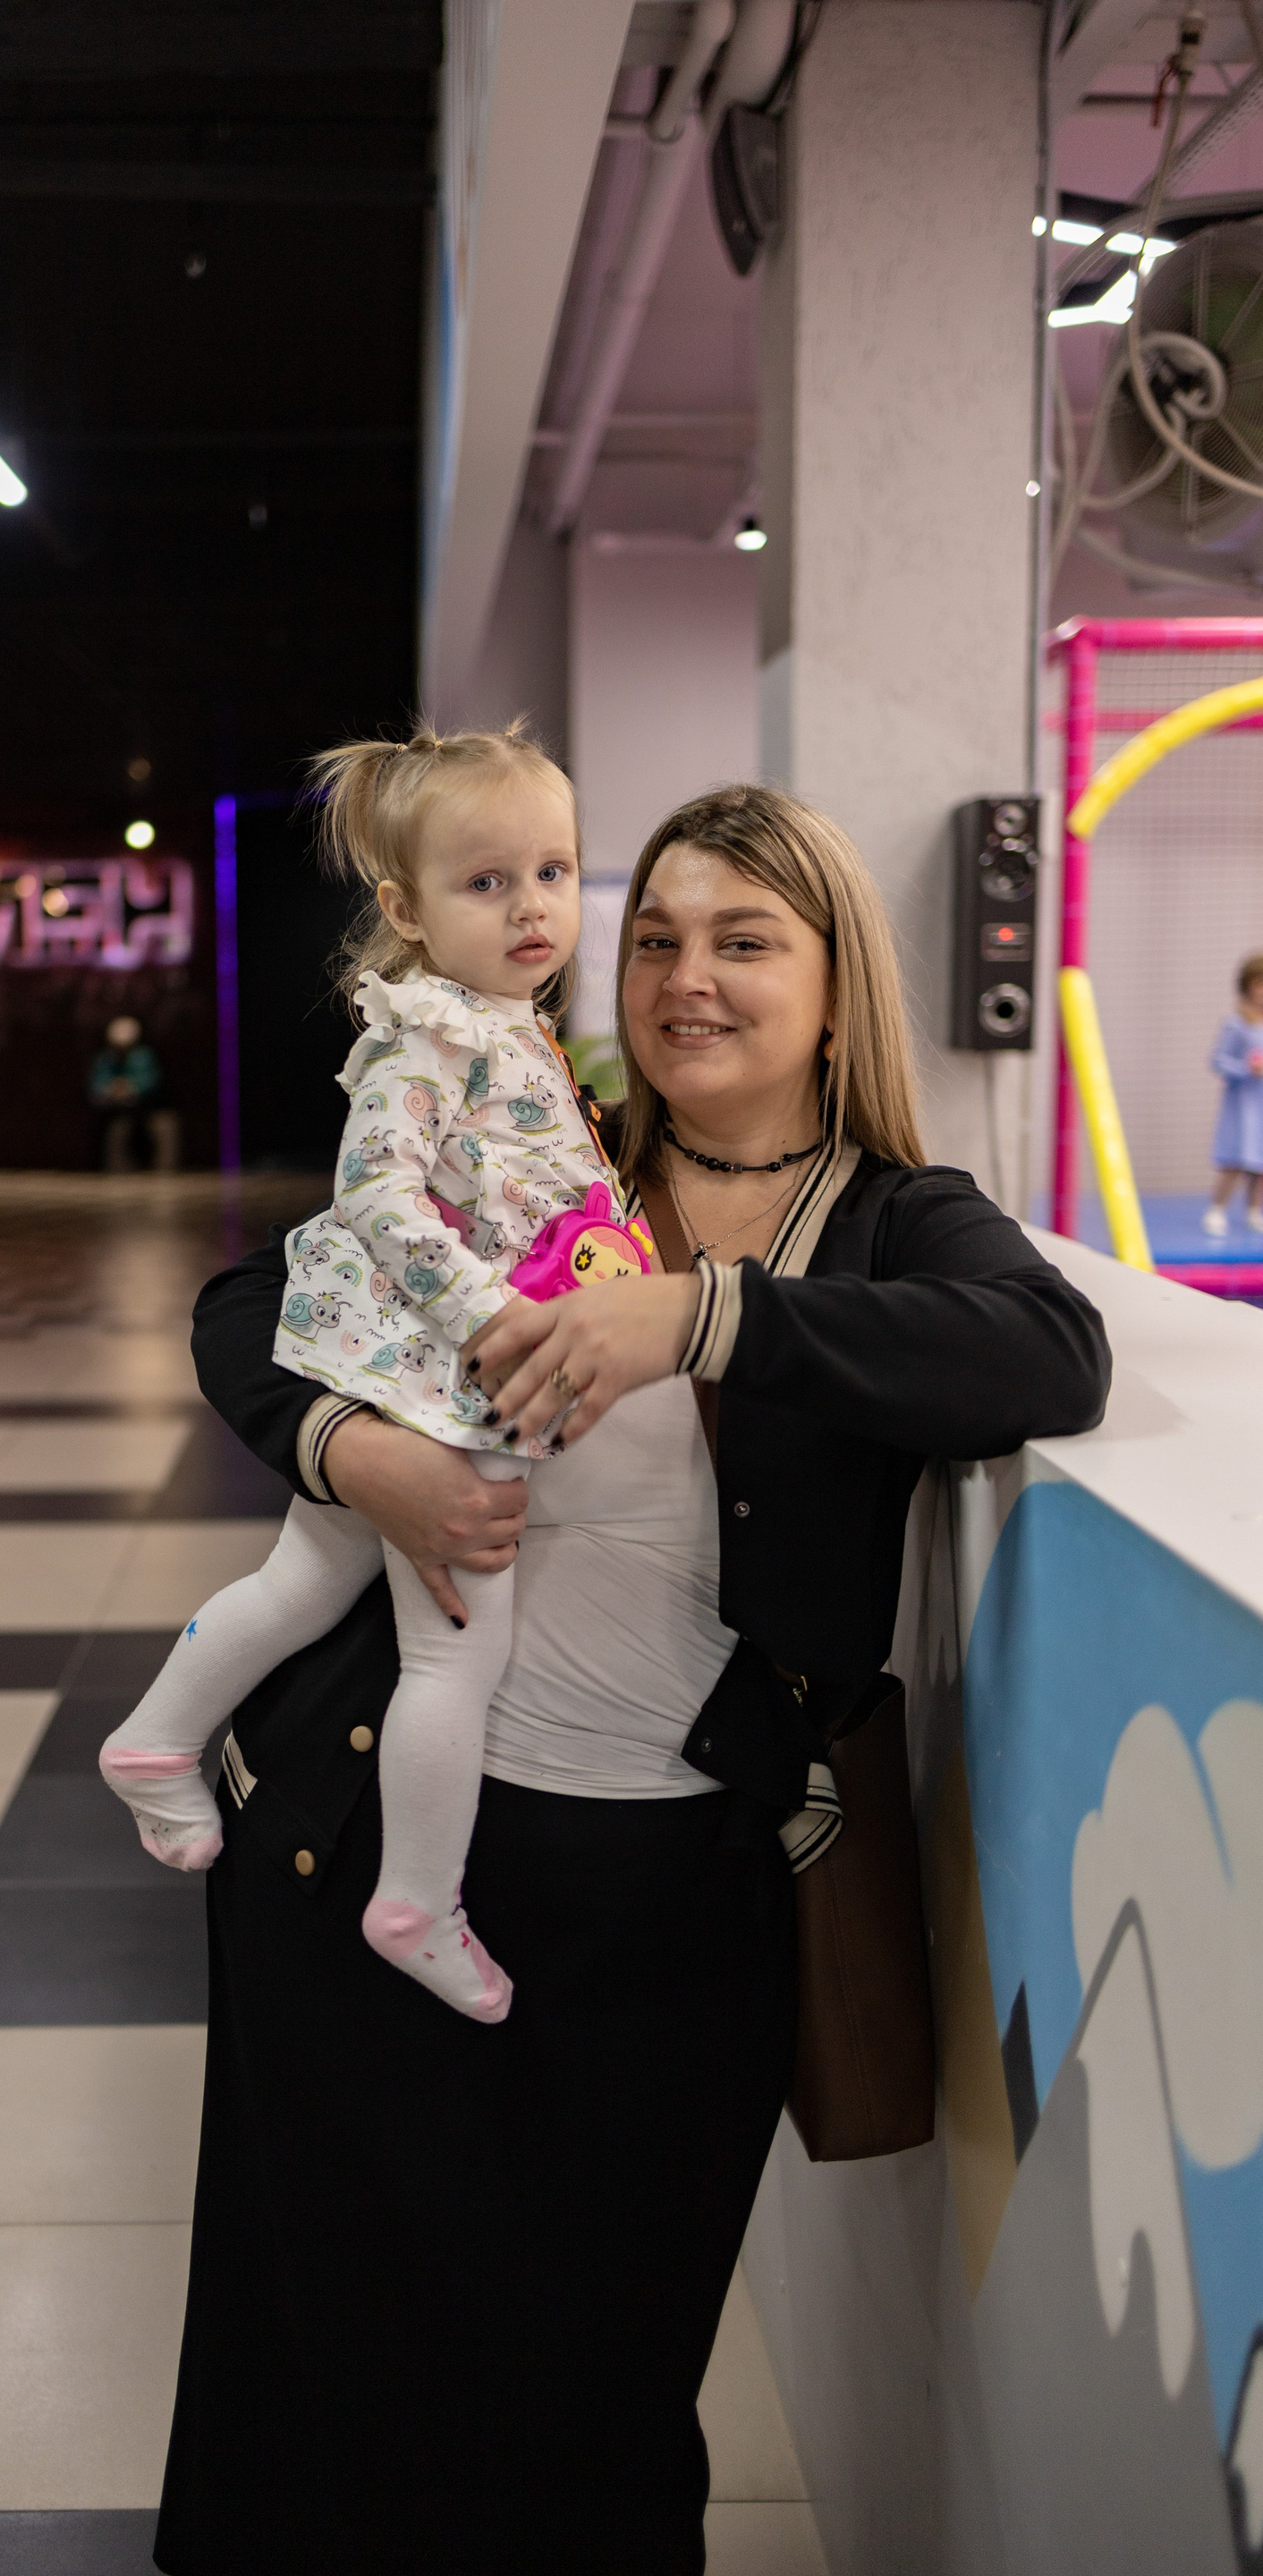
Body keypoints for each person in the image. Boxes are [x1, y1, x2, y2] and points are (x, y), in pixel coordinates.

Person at [154, 781, 1110, 2576]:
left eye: (745, 941)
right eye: (656, 936)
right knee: (332, 2385)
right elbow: (252, 1304)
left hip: (672, 1904)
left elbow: (1045, 1356)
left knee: (596, 2398)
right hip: (369, 1855)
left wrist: (700, 1312)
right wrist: (358, 1454)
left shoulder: (895, 1219)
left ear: (837, 983)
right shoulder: (546, 1142)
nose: (687, 979)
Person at [100, 724, 632, 2022]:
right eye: (486, 882)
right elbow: (376, 1194)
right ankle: (414, 1901)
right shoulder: (428, 1033)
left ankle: (156, 1739)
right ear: (405, 910)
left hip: (420, 1372)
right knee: (454, 1659)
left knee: (302, 1581)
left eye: (554, 872)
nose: (531, 907)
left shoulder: (511, 1026)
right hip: (440, 1382)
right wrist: (493, 1316)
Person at [1202, 952, 1263, 1235]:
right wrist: (1246, 1068)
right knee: (1234, 1160)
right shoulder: (1236, 1024)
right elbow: (1218, 1060)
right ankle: (1218, 1208)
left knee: (1259, 1163)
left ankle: (1254, 1210)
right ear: (1247, 987)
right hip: (1241, 1105)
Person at [89, 1014, 165, 1171]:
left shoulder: (143, 1057)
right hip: (112, 1107)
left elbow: (150, 1082)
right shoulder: (106, 1058)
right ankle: (103, 1166)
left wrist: (130, 1089)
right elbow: (96, 1084)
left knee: (144, 1123)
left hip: (141, 1106)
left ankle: (146, 1163)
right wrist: (110, 1090)